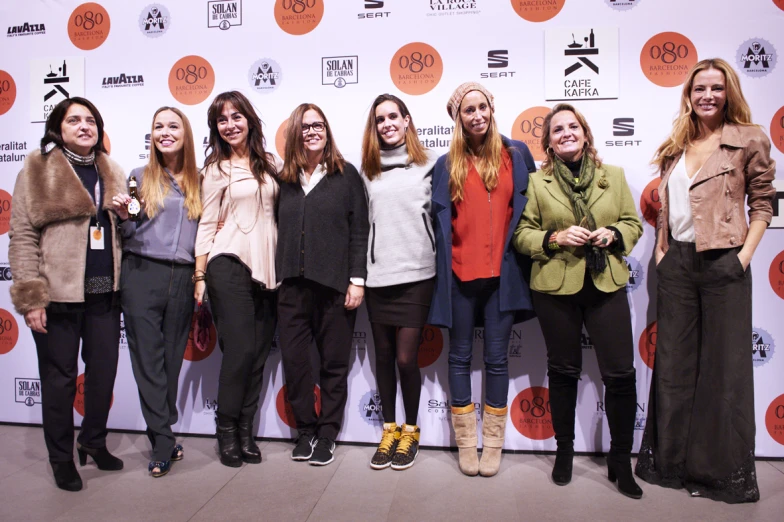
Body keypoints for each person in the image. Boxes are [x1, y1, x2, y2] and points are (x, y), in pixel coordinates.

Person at [635, 58, 776, 504]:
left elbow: (763, 204)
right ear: (689, 95)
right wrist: (661, 249)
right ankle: (671, 465)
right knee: (673, 367)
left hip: (724, 265)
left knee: (724, 371)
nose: (708, 96)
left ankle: (719, 475)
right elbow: (670, 202)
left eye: (716, 88)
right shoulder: (678, 142)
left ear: (728, 91)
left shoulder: (748, 138)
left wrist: (744, 256)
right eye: (700, 89)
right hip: (676, 265)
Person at [513, 103, 644, 498]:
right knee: (564, 371)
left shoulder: (614, 177)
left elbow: (632, 223)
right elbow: (522, 235)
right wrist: (554, 238)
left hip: (605, 284)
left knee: (620, 374)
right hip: (555, 289)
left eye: (573, 127)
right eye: (558, 130)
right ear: (549, 142)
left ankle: (620, 460)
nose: (566, 133)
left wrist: (614, 235)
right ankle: (564, 452)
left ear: (585, 134)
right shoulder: (538, 184)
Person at [8, 97, 126, 491]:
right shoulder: (38, 169)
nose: (84, 126)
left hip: (104, 294)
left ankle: (93, 441)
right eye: (74, 120)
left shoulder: (112, 169)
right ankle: (61, 459)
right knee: (59, 381)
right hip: (57, 295)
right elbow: (22, 235)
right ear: (58, 128)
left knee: (103, 374)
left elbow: (121, 231)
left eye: (90, 119)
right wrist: (32, 298)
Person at [430, 82, 536, 477]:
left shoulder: (516, 154)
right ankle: (465, 445)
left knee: (495, 360)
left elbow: (531, 209)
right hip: (458, 276)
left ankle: (492, 445)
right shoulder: (445, 163)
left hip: (503, 278)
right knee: (457, 358)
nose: (477, 116)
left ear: (491, 108)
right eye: (467, 110)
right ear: (457, 118)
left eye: (482, 107)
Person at [276, 103, 368, 466]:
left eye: (318, 125)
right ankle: (305, 432)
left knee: (333, 365)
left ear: (327, 131)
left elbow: (360, 230)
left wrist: (356, 280)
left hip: (334, 288)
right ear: (295, 133)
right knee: (296, 364)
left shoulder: (346, 176)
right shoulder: (283, 179)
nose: (312, 131)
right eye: (305, 126)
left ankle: (328, 434)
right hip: (291, 289)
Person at [111, 107, 201, 477]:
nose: (165, 132)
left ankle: (163, 432)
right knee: (148, 363)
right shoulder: (138, 177)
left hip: (182, 278)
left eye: (172, 126)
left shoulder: (201, 179)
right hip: (142, 274)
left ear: (185, 133)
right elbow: (129, 230)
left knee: (170, 363)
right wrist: (125, 218)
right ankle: (163, 442)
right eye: (158, 127)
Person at [194, 91, 280, 468]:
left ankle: (246, 430)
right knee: (241, 350)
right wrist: (200, 274)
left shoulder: (271, 164)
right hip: (228, 262)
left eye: (236, 116)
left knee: (259, 354)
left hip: (269, 269)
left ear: (249, 119)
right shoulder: (214, 170)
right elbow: (207, 223)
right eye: (222, 120)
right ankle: (226, 428)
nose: (230, 125)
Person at [360, 94, 439, 470]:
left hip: (417, 276)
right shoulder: (367, 172)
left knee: (407, 358)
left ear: (407, 121)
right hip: (378, 278)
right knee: (385, 357)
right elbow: (362, 228)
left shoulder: (431, 166)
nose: (387, 123)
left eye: (394, 116)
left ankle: (411, 431)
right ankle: (388, 429)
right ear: (374, 127)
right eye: (380, 119)